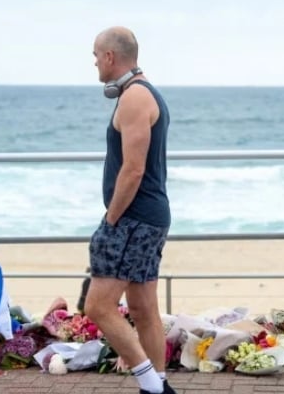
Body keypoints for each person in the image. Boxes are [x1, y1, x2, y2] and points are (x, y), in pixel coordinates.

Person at [84, 26, 173, 394]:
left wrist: (111, 220)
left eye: (95, 55)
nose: (93, 62)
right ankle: (157, 384)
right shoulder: (142, 93)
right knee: (142, 309)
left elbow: (133, 169)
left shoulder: (134, 98)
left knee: (98, 306)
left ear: (110, 57)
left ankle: (155, 388)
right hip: (149, 215)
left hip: (133, 218)